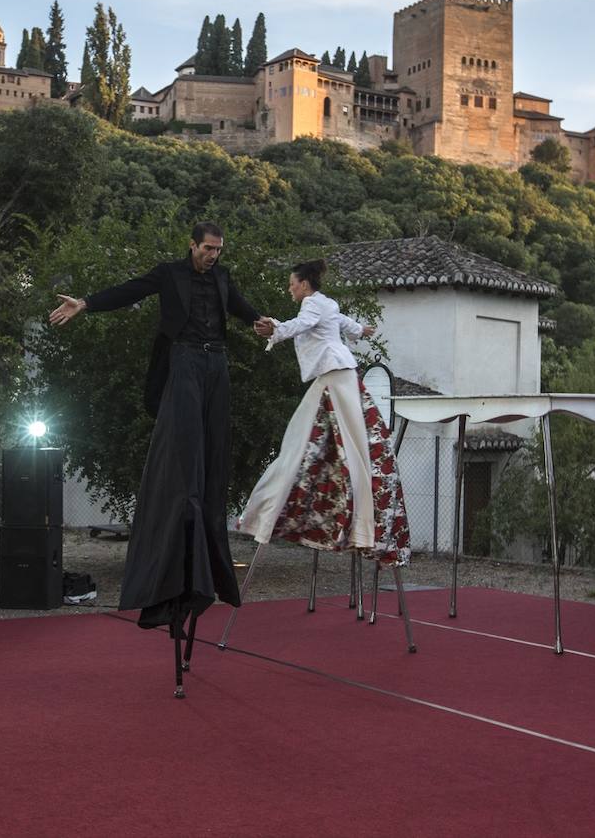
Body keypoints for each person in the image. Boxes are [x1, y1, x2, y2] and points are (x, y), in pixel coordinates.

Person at [49, 221, 267, 694]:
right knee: (184, 456)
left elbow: (241, 307)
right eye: (207, 248)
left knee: (212, 455)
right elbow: (130, 291)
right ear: (192, 245)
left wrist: (258, 321)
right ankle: (178, 532)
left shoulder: (223, 277)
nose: (212, 255)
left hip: (217, 364)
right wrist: (85, 303)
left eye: (218, 249)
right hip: (185, 360)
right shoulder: (169, 274)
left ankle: (206, 532)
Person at [241, 259, 410, 565]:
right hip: (338, 375)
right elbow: (345, 323)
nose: (290, 289)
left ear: (304, 285)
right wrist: (362, 329)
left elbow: (301, 325)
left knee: (314, 443)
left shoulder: (311, 305)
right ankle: (358, 522)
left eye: (292, 284)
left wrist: (275, 328)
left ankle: (359, 522)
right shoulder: (326, 304)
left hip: (335, 376)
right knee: (344, 443)